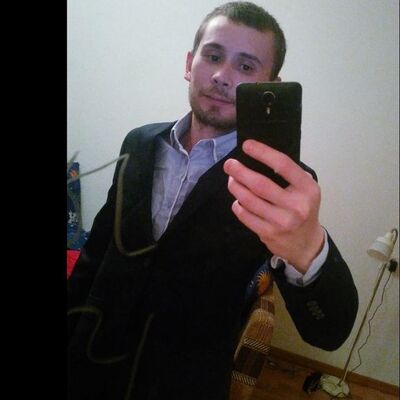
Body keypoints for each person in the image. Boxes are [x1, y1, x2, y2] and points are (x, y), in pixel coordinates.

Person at [68, 2, 358, 399]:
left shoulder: (279, 183)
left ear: (269, 84)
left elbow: (329, 332)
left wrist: (309, 250)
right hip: (90, 358)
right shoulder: (138, 141)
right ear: (190, 63)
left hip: (183, 381)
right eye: (214, 56)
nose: (222, 76)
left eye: (246, 65)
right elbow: (99, 249)